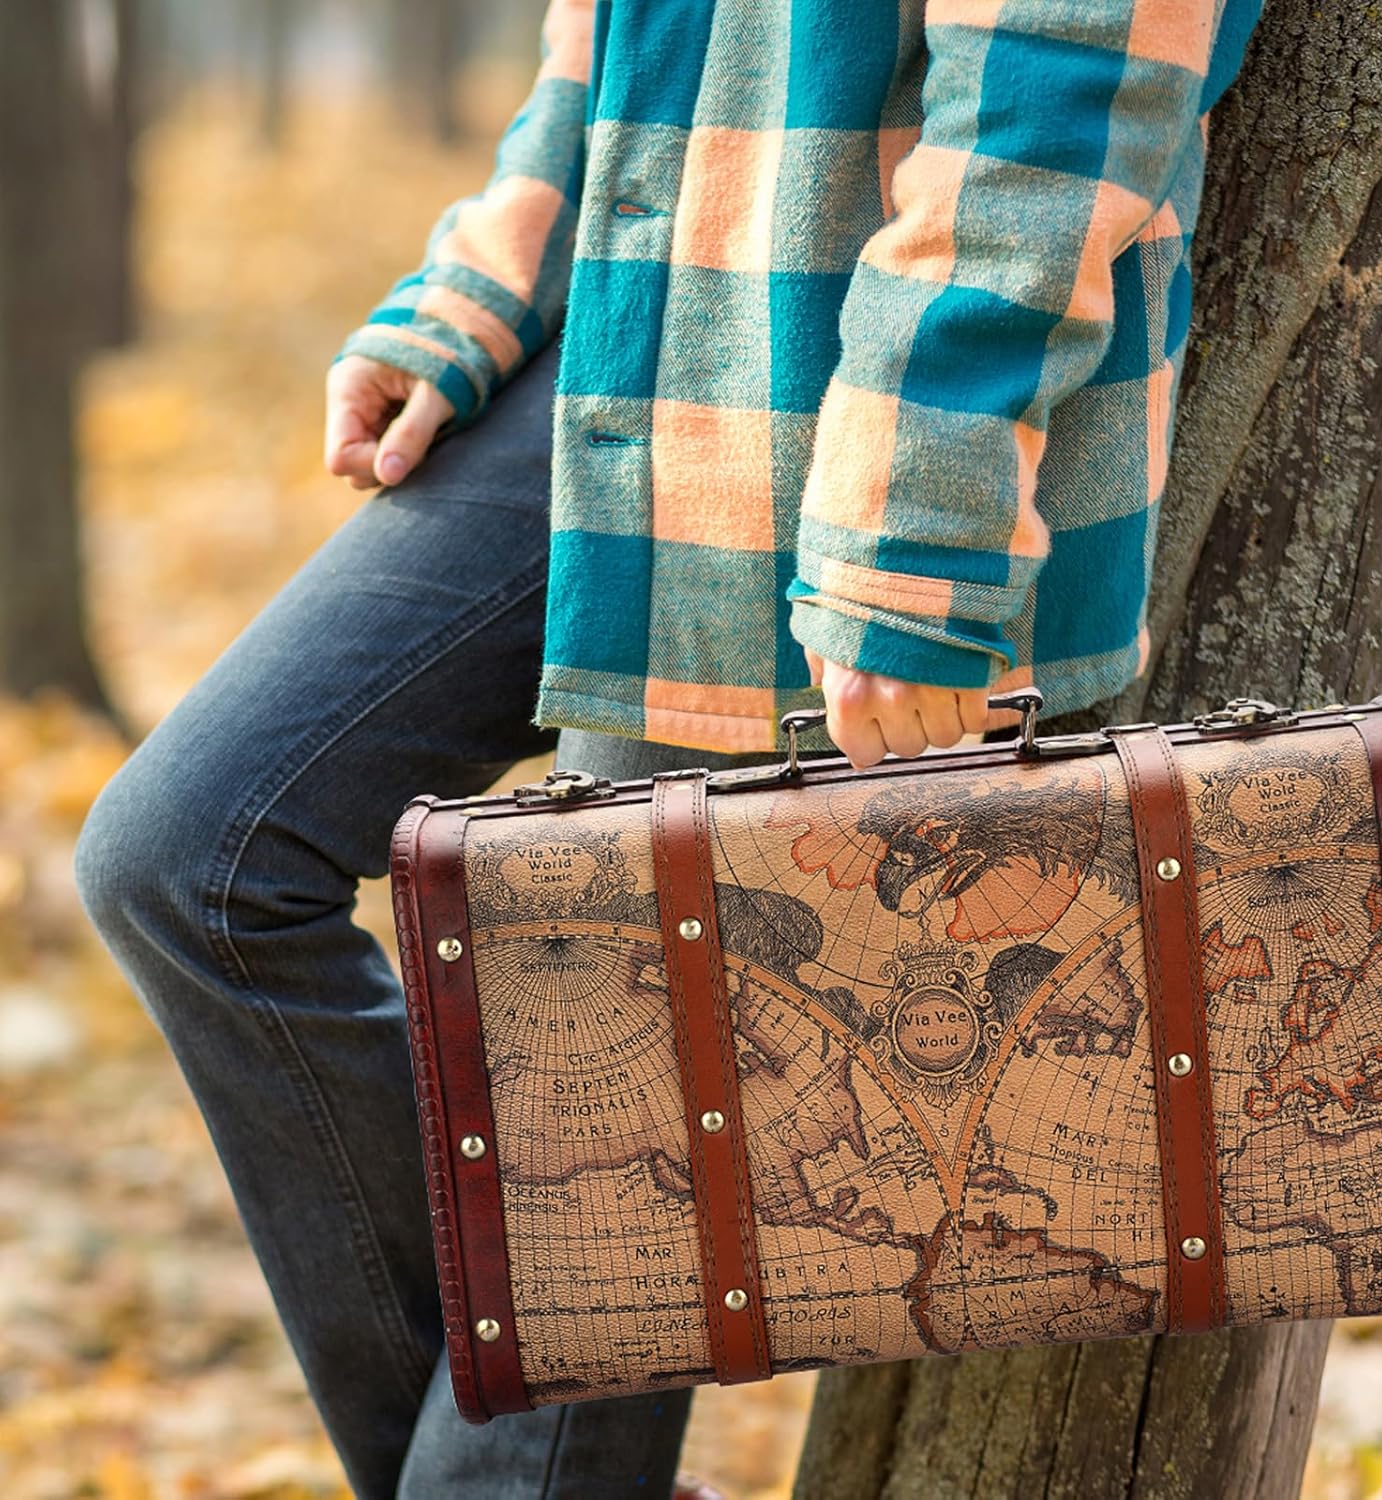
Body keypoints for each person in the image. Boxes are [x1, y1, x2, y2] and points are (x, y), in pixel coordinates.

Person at [74, 1, 1262, 1496]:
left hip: (858, 408)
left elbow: (1060, 101)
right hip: (625, 349)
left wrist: (913, 540)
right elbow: (609, 40)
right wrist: (473, 288)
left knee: (624, 1136)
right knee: (190, 859)